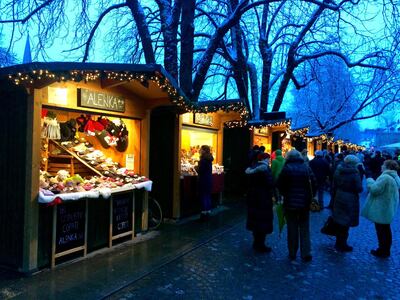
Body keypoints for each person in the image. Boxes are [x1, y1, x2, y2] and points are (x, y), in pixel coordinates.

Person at [277, 149, 316, 262]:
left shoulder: (286, 168)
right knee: (304, 227)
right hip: (304, 203)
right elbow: (314, 183)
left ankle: (292, 252)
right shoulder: (306, 167)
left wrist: (285, 194)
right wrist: (310, 196)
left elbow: (280, 184)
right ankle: (306, 252)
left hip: (290, 203)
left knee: (292, 227)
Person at [362, 160, 400, 258]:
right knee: (386, 230)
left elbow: (374, 190)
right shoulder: (395, 177)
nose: (381, 166)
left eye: (383, 164)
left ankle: (382, 250)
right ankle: (386, 250)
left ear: (387, 167)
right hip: (388, 207)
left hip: (381, 208)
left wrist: (370, 180)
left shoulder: (385, 177)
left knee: (381, 230)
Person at [332, 155, 363, 252]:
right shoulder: (355, 173)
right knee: (346, 221)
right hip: (350, 197)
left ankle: (338, 242)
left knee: (339, 218)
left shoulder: (338, 170)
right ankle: (343, 244)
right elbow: (359, 188)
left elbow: (334, 183)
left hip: (339, 195)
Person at [245, 153, 274, 253]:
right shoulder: (265, 169)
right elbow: (270, 183)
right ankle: (260, 244)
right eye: (268, 159)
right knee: (263, 220)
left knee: (255, 220)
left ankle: (256, 242)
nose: (269, 161)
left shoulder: (252, 168)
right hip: (263, 199)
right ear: (265, 159)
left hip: (253, 198)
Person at [197, 145, 214, 221]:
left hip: (203, 179)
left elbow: (201, 170)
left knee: (203, 196)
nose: (200, 150)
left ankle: (203, 214)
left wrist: (196, 167)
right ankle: (208, 212)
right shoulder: (209, 158)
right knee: (207, 196)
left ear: (204, 150)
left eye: (201, 149)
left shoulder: (203, 159)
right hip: (209, 179)